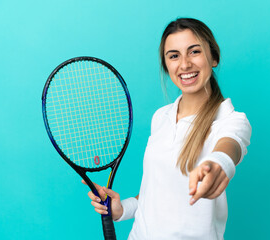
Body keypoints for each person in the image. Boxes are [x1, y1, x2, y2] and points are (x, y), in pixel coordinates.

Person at [83, 18, 252, 239]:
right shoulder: (161, 117)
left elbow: (228, 148)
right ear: (166, 65)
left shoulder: (231, 120)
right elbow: (156, 192)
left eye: (194, 52)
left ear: (214, 57)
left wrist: (218, 164)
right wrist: (123, 209)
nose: (184, 64)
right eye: (174, 56)